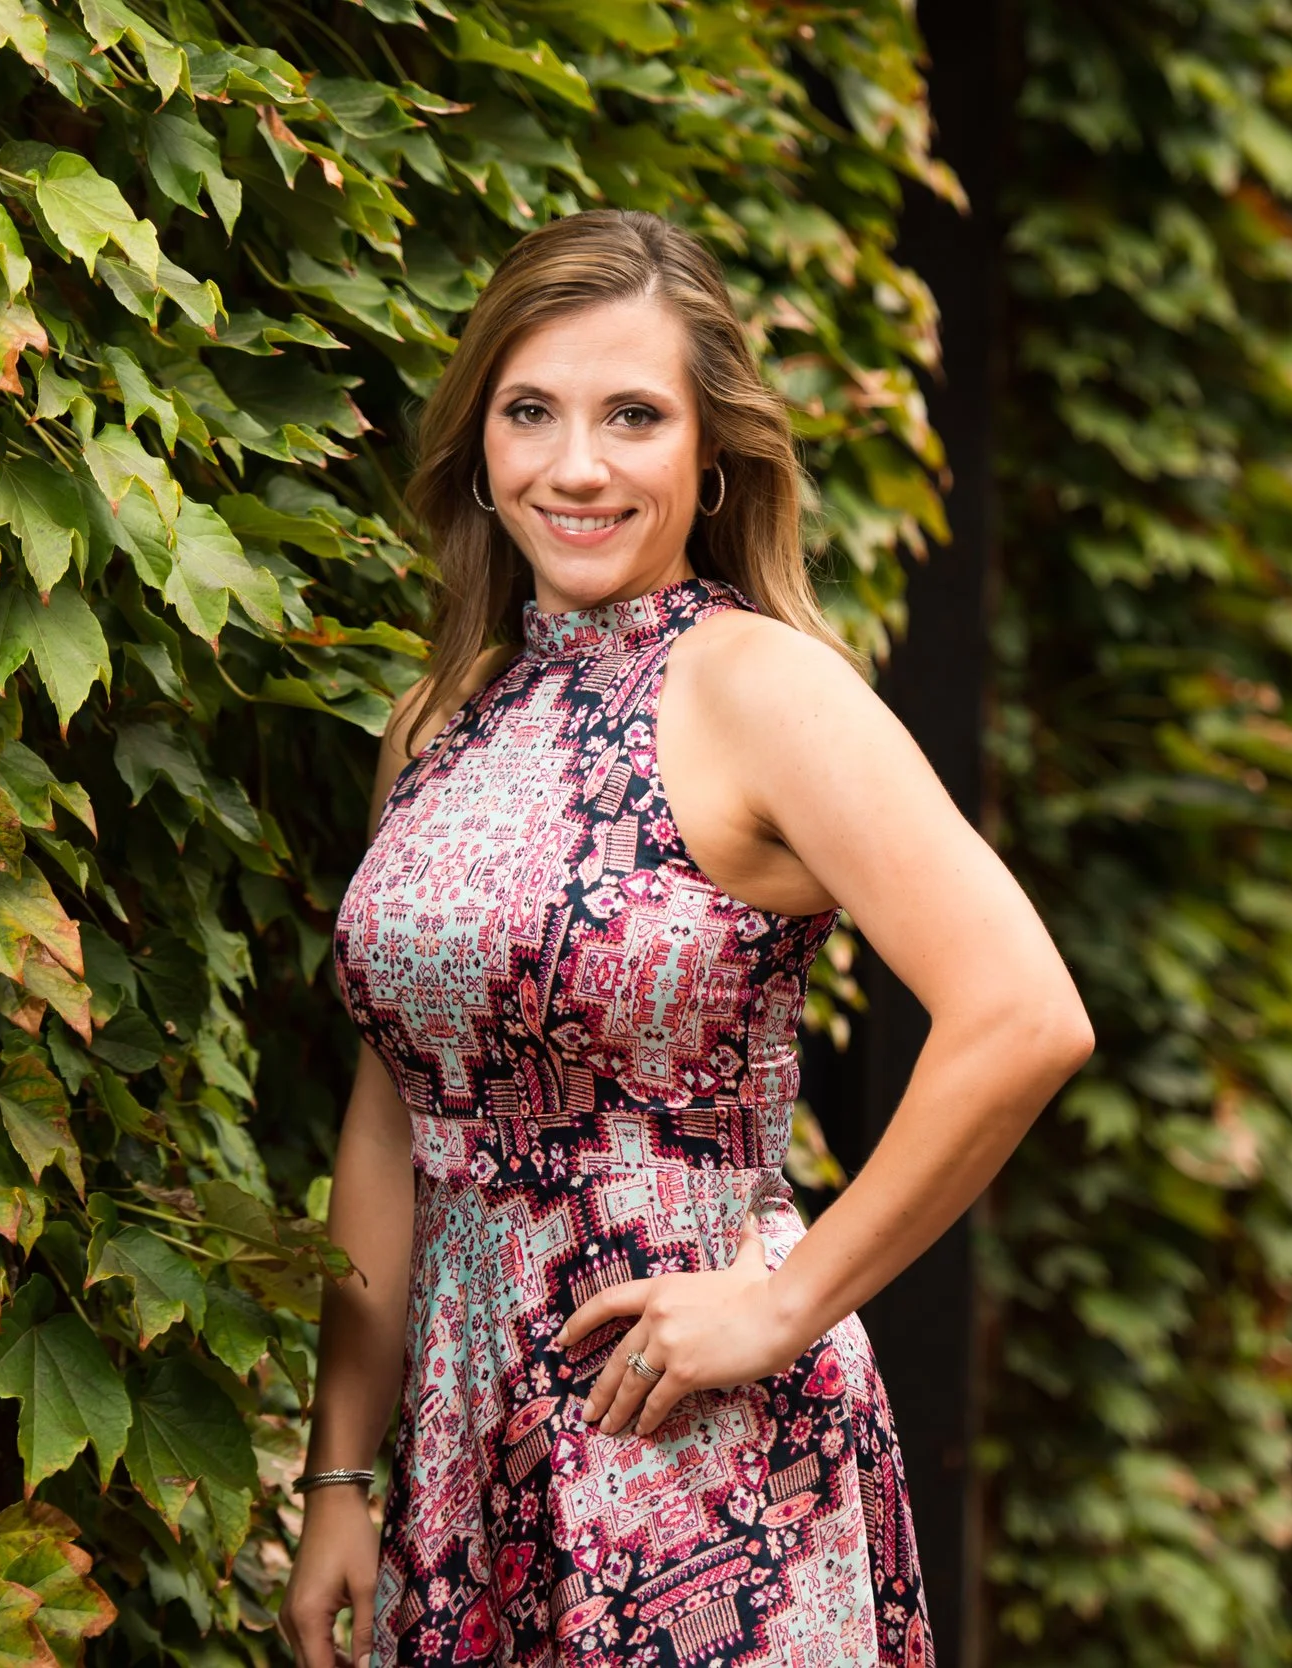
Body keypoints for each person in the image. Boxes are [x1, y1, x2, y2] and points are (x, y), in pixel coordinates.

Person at [279, 209, 1092, 1668]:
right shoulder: (442, 720)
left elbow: (1024, 1014)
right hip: (467, 1460)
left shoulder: (763, 688)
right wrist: (341, 1472)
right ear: (480, 443)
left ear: (711, 453)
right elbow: (394, 1116)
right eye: (531, 412)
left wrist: (786, 1305)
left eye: (633, 416)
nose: (576, 466)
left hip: (698, 1458)